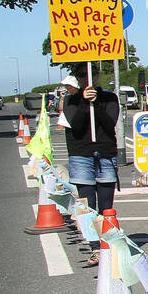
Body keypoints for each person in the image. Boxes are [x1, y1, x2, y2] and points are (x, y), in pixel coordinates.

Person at [62, 72, 119, 267]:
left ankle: (108, 243)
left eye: (91, 76)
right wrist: (85, 103)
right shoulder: (70, 100)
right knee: (88, 206)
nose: (88, 80)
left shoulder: (110, 98)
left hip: (105, 154)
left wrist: (97, 104)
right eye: (83, 77)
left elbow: (110, 123)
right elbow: (76, 126)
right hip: (81, 156)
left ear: (97, 77)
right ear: (78, 79)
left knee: (106, 206)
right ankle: (95, 247)